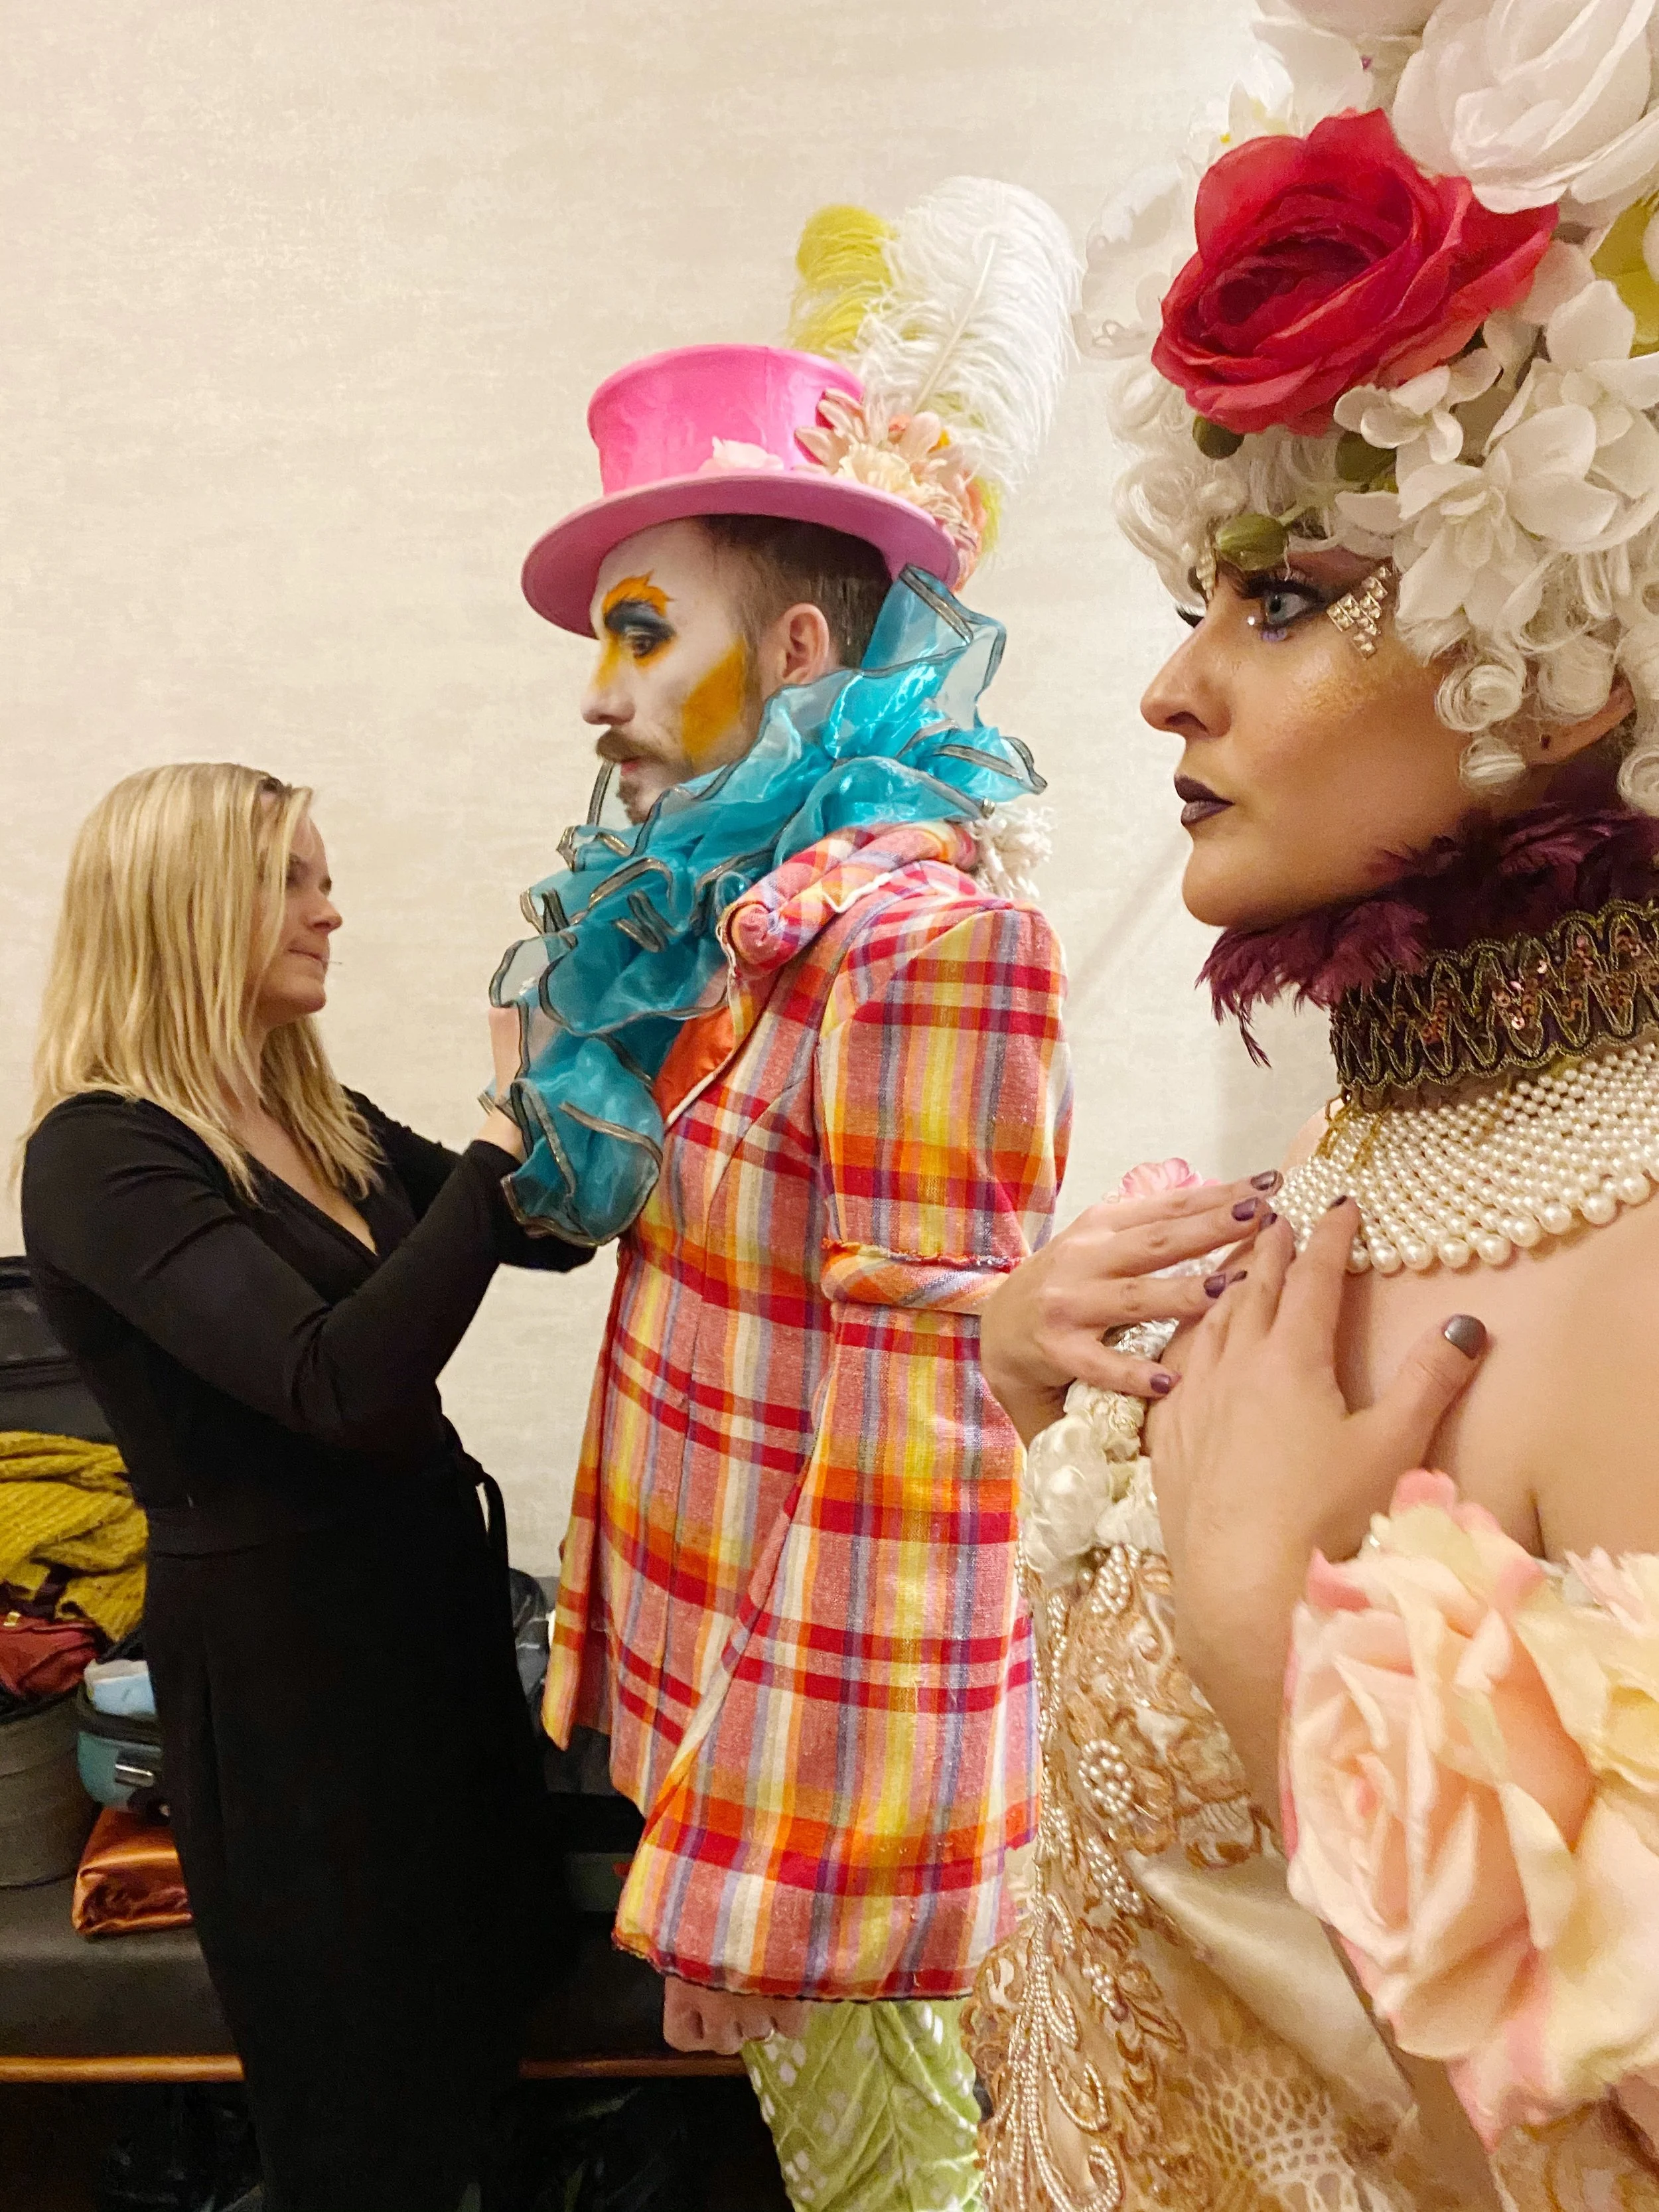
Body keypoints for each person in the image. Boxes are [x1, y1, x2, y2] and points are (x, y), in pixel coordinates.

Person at [965, 7, 1659, 2205]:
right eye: (1201, 597)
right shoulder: (1402, 1144)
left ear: (1582, 634)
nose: (1176, 680)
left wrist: (1278, 1628)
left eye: (1287, 600)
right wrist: (1042, 1399)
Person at [486, 181, 1080, 2211]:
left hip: (810, 1779)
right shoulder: (758, 933)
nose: (596, 691)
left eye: (641, 631)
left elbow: (930, 1454)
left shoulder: (924, 943)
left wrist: (784, 1881)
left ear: (804, 646)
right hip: (722, 1711)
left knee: (900, 2191)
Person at [20, 762, 591, 2212]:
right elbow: (339, 1381)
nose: (332, 911)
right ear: (185, 899)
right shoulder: (100, 1153)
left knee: (476, 2038)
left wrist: (597, 1064)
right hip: (291, 1682)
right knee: (360, 2101)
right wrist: (499, 1130)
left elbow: (540, 1236)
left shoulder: (303, 1107)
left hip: (425, 1622)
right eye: (293, 877)